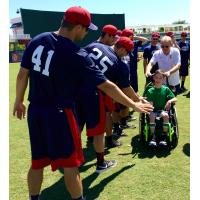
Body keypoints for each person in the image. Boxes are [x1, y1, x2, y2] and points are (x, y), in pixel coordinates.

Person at [13, 6, 153, 200]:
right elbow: (107, 86)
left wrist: (18, 101)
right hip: (60, 113)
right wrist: (135, 104)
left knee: (37, 162)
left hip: (36, 110)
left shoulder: (38, 39)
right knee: (71, 165)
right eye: (86, 28)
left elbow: (22, 75)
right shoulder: (75, 54)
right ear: (78, 27)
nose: (87, 32)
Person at [77, 37, 151, 171]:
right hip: (95, 95)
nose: (126, 55)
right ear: (122, 49)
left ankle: (72, 159)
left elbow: (78, 56)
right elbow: (125, 88)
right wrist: (137, 99)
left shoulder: (95, 45)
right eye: (127, 52)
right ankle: (100, 163)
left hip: (76, 91)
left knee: (77, 126)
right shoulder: (119, 64)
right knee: (99, 131)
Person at [120, 28, 149, 128]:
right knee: (126, 93)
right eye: (130, 36)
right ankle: (123, 117)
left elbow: (145, 40)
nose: (131, 38)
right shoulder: (122, 46)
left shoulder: (134, 43)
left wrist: (134, 36)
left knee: (133, 91)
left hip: (132, 71)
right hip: (125, 72)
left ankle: (127, 115)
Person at [145, 70, 177, 147]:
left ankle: (164, 136)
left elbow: (175, 99)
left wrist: (169, 101)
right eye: (157, 77)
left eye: (160, 78)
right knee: (152, 115)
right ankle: (153, 137)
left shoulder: (166, 89)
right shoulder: (150, 90)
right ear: (154, 78)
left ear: (163, 79)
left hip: (162, 110)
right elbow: (150, 105)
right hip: (153, 110)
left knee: (165, 115)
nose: (158, 79)